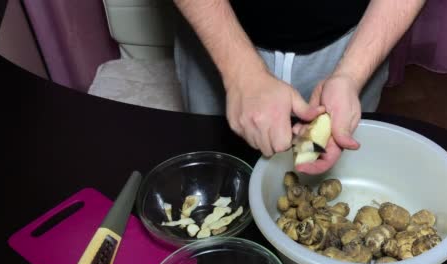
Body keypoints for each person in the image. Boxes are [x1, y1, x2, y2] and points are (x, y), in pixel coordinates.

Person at [173, 0, 425, 174]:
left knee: (332, 170)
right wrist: (240, 72)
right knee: (213, 170)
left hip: (357, 41)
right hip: (215, 35)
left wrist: (350, 75)